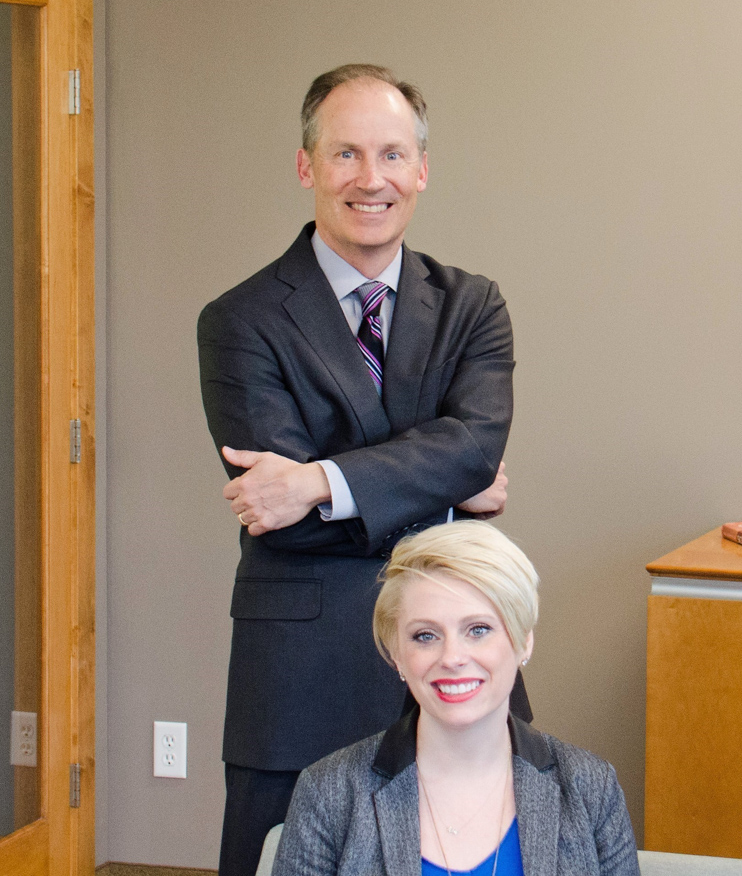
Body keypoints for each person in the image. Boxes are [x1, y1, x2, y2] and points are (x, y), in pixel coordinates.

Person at [199, 64, 523, 876]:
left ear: (422, 169)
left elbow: (476, 445)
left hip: (456, 656)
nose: (370, 179)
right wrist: (444, 486)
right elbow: (285, 520)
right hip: (303, 672)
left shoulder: (473, 305)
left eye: (391, 154)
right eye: (345, 154)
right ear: (305, 165)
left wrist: (318, 479)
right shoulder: (239, 320)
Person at [272, 521, 639, 876]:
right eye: (425, 635)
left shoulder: (590, 787)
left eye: (478, 630)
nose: (452, 658)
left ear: (523, 640)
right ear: (397, 653)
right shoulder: (328, 793)